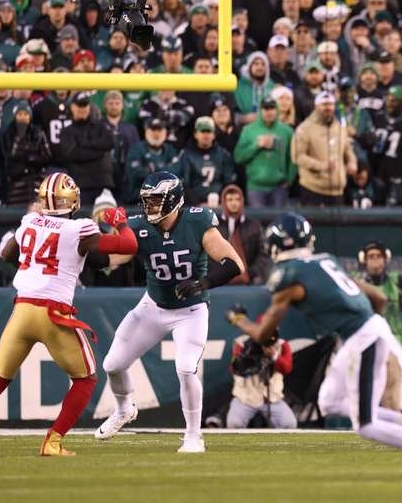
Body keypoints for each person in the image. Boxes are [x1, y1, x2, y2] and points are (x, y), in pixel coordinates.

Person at [229, 213, 402, 479]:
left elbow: (264, 335)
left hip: (363, 338)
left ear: (276, 245)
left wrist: (239, 320)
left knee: (366, 425)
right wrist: (369, 329)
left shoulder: (289, 274)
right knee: (329, 401)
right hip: (363, 334)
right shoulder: (326, 261)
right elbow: (378, 297)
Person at [0, 173, 136, 457]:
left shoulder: (29, 222)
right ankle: (53, 441)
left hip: (22, 309)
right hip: (53, 314)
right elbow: (128, 246)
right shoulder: (80, 229)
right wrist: (120, 221)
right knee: (85, 379)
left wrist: (36, 267)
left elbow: (7, 253)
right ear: (72, 199)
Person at [95, 172, 244, 454]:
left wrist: (203, 283)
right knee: (112, 364)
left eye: (154, 201)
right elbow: (113, 259)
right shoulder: (138, 226)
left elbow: (235, 264)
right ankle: (125, 409)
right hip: (153, 306)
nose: (148, 207)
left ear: (173, 200)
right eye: (146, 201)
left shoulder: (198, 221)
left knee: (186, 368)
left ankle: (193, 436)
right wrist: (90, 240)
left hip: (191, 310)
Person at [353, 240, 402, 410]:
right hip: (365, 342)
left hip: (392, 341)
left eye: (379, 256)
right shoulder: (356, 281)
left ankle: (392, 426)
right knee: (366, 392)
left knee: (391, 391)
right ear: (364, 260)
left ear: (385, 259)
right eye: (371, 257)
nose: (375, 261)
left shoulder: (398, 280)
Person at [225, 321, 297, 429]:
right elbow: (234, 369)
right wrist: (249, 355)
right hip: (246, 398)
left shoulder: (281, 345)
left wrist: (274, 356)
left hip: (272, 399)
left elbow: (287, 368)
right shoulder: (243, 343)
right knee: (234, 423)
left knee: (289, 424)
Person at [291, 91, 357, 206]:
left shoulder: (339, 127)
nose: (328, 108)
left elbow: (347, 149)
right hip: (313, 190)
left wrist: (352, 162)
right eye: (324, 105)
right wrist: (321, 166)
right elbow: (297, 156)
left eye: (330, 104)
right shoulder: (305, 128)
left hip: (338, 191)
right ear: (316, 107)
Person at [233, 98, 295, 208]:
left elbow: (293, 158)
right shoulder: (248, 130)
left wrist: (289, 180)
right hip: (255, 187)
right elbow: (238, 157)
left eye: (272, 108)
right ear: (260, 111)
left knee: (278, 223)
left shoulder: (287, 131)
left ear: (276, 110)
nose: (269, 112)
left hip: (279, 187)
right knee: (257, 223)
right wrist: (257, 145)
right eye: (265, 108)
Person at [58, 93, 114, 205]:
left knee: (106, 221)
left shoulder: (100, 126)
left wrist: (83, 144)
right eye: (80, 105)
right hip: (80, 187)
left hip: (103, 185)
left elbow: (109, 143)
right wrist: (99, 152)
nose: (82, 109)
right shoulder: (67, 131)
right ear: (72, 107)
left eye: (85, 105)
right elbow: (72, 154)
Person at [212, 184, 271, 286]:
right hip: (219, 277)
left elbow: (263, 254)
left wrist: (250, 272)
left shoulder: (254, 226)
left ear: (242, 201)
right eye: (230, 200)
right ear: (223, 202)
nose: (234, 203)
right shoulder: (214, 226)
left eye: (237, 199)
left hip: (249, 277)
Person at [0, 103, 51, 207]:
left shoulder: (38, 132)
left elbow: (47, 156)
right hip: (15, 184)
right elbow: (8, 157)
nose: (23, 117)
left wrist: (29, 158)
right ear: (15, 116)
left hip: (36, 181)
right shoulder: (8, 134)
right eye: (20, 114)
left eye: (26, 114)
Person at [178, 116, 237, 206]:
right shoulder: (186, 155)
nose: (206, 135)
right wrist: (197, 204)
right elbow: (185, 185)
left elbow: (228, 182)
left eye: (208, 131)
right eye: (202, 131)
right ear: (195, 134)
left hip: (220, 204)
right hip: (193, 204)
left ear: (214, 134)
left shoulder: (223, 154)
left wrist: (222, 201)